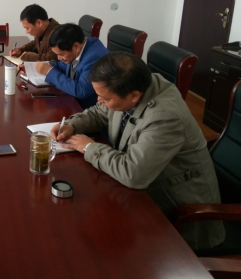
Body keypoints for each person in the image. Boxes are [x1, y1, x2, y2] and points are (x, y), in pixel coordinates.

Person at [50, 52, 225, 251]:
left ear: (134, 95)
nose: (99, 100)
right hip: (141, 193)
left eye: (105, 98)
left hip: (179, 216)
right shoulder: (135, 85)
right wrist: (72, 125)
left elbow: (133, 173)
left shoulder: (165, 117)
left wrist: (89, 147)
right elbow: (100, 112)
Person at [30, 23, 108, 109]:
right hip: (70, 100)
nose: (58, 58)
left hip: (85, 108)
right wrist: (37, 67)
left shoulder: (95, 58)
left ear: (76, 47)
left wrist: (49, 72)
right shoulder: (80, 46)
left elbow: (81, 91)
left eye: (61, 54)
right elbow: (62, 66)